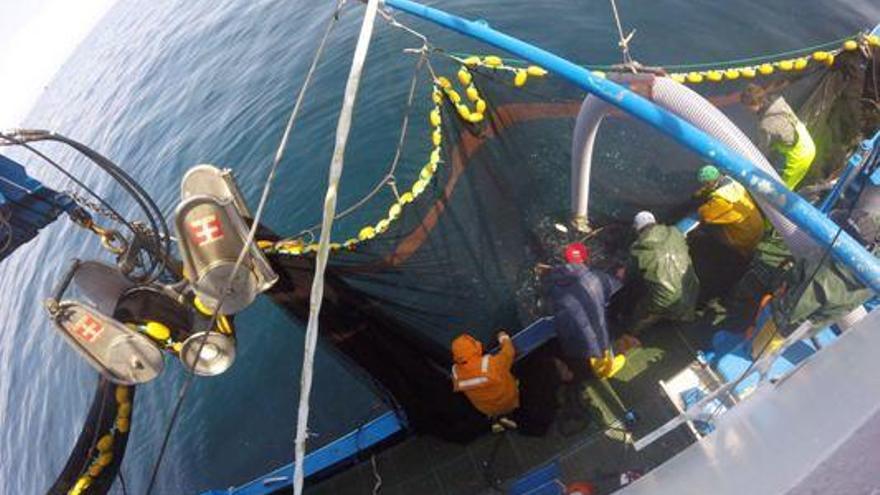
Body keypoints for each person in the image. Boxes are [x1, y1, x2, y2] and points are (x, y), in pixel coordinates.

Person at [540, 242, 626, 380]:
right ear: (586, 259)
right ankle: (598, 371)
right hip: (592, 348)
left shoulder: (553, 287)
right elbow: (618, 286)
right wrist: (620, 276)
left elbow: (548, 306)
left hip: (571, 346)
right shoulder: (597, 278)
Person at [625, 211, 700, 335]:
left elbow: (630, 278)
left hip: (665, 301)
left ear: (637, 229)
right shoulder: (675, 232)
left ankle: (632, 333)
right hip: (692, 288)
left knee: (639, 311)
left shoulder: (637, 248)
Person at [741, 83, 816, 190]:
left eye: (748, 107)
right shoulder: (777, 100)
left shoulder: (766, 125)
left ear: (755, 105)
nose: (748, 110)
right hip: (806, 140)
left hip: (799, 156)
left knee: (783, 189)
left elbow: (763, 150)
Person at [451, 331, 520, 426]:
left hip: (485, 408)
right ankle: (509, 416)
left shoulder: (456, 372)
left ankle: (496, 421)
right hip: (507, 401)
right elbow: (509, 352)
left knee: (492, 406)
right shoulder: (491, 364)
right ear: (476, 349)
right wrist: (503, 337)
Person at [695, 165, 765, 258]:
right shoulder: (734, 183)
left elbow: (705, 215)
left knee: (709, 227)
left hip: (745, 236)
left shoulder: (722, 200)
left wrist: (702, 206)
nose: (703, 186)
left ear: (709, 183)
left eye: (705, 184)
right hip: (758, 226)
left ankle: (739, 253)